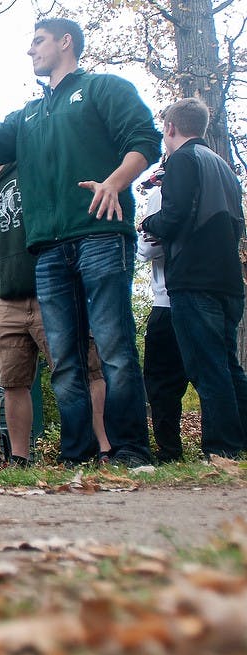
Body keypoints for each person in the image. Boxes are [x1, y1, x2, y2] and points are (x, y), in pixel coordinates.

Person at [0, 17, 161, 466]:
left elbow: (144, 140)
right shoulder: (28, 117)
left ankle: (129, 449)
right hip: (49, 251)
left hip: (99, 234)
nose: (30, 50)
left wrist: (114, 183)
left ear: (66, 42)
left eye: (37, 41)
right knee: (65, 359)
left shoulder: (104, 89)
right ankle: (77, 454)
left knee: (113, 348)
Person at [0, 162, 111, 465]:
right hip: (8, 303)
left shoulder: (30, 172)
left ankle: (104, 448)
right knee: (12, 381)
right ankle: (20, 456)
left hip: (55, 292)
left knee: (84, 370)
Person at [140, 98, 247, 460]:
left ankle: (221, 449)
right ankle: (239, 443)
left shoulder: (183, 160)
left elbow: (173, 216)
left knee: (208, 367)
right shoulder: (224, 168)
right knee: (229, 366)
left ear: (170, 127)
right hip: (229, 282)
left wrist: (147, 224)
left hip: (194, 281)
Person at [136, 165, 188, 463]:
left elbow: (146, 250)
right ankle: (227, 447)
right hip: (208, 295)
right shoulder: (218, 185)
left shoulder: (162, 193)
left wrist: (146, 231)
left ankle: (170, 452)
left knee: (160, 383)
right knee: (214, 372)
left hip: (168, 300)